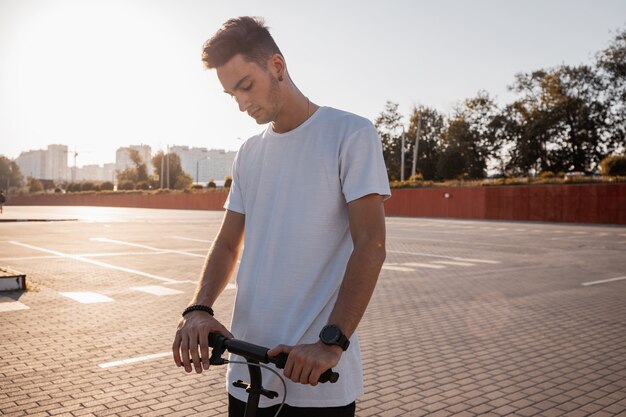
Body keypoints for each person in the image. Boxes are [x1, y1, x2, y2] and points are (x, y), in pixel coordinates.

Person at [172, 16, 390, 417]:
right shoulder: (249, 153)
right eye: (231, 95)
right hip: (245, 371)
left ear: (277, 66)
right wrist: (198, 308)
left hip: (316, 380)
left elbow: (371, 245)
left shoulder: (350, 134)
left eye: (246, 86)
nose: (241, 103)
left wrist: (331, 342)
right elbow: (227, 243)